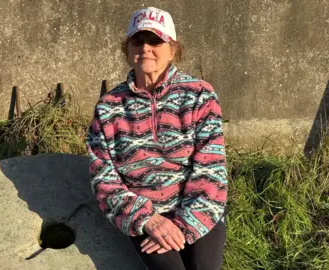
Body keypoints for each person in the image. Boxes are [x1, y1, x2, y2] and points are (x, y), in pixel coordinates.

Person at [86, 6, 228, 270]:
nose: (146, 48)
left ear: (172, 49)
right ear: (127, 50)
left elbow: (211, 171)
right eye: (138, 41)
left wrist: (183, 227)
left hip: (199, 208)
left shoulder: (199, 95)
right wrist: (149, 220)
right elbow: (103, 178)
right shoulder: (108, 107)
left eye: (155, 41)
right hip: (144, 214)